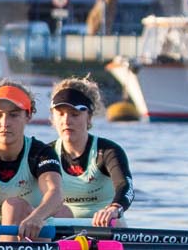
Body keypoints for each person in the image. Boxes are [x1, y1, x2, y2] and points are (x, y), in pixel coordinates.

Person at [0, 81, 65, 241]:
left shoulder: (41, 153)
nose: (5, 123)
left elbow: (55, 193)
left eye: (13, 115)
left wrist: (37, 217)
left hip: (33, 235)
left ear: (28, 116)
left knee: (13, 206)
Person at [49, 77, 134, 228]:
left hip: (105, 226)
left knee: (114, 221)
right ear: (53, 118)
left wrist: (114, 208)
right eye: (61, 114)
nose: (66, 121)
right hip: (64, 229)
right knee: (58, 211)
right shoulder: (46, 154)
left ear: (89, 117)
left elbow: (125, 187)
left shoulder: (108, 151)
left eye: (74, 114)